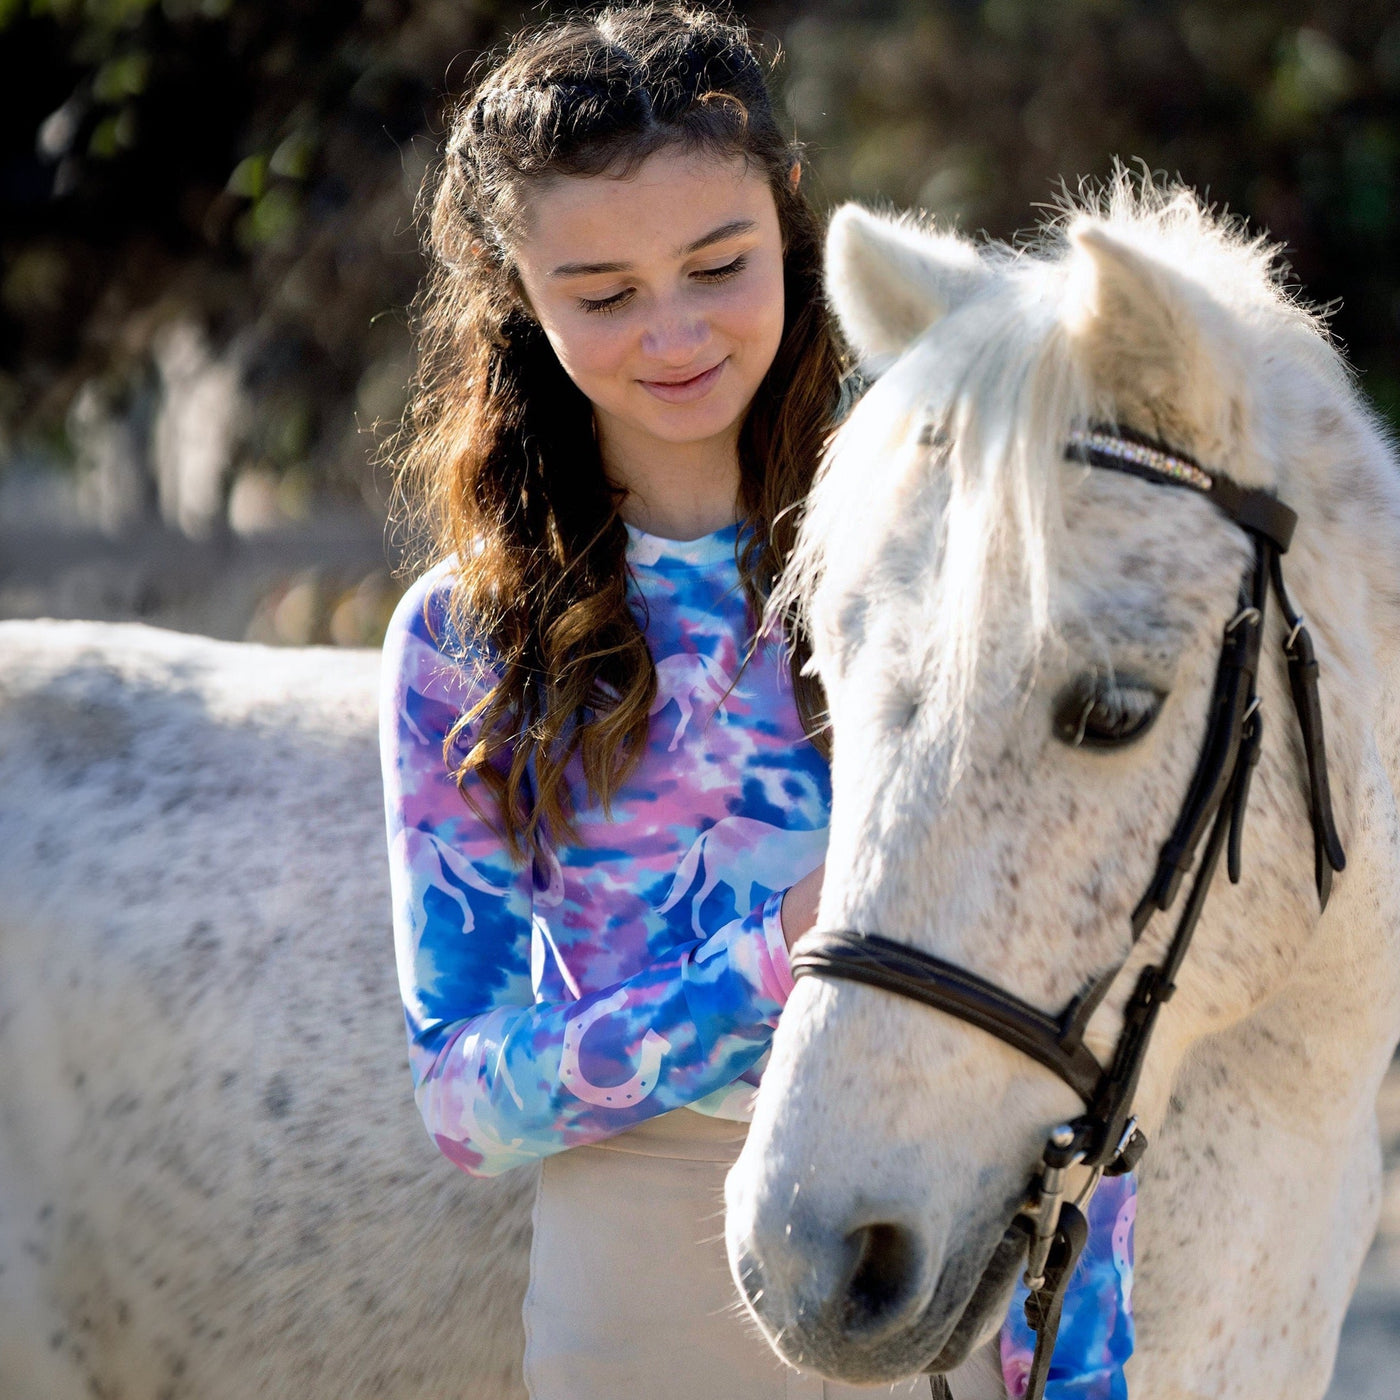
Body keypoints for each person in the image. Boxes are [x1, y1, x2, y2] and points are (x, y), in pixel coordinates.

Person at [378, 5, 1135, 1398]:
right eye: (601, 294)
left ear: (789, 227)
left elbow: (1064, 1016)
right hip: (638, 1306)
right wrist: (782, 958)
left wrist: (1081, 1369)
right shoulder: (463, 642)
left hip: (943, 1247)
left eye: (718, 265)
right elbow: (466, 1101)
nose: (671, 331)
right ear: (516, 292)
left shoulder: (951, 560)